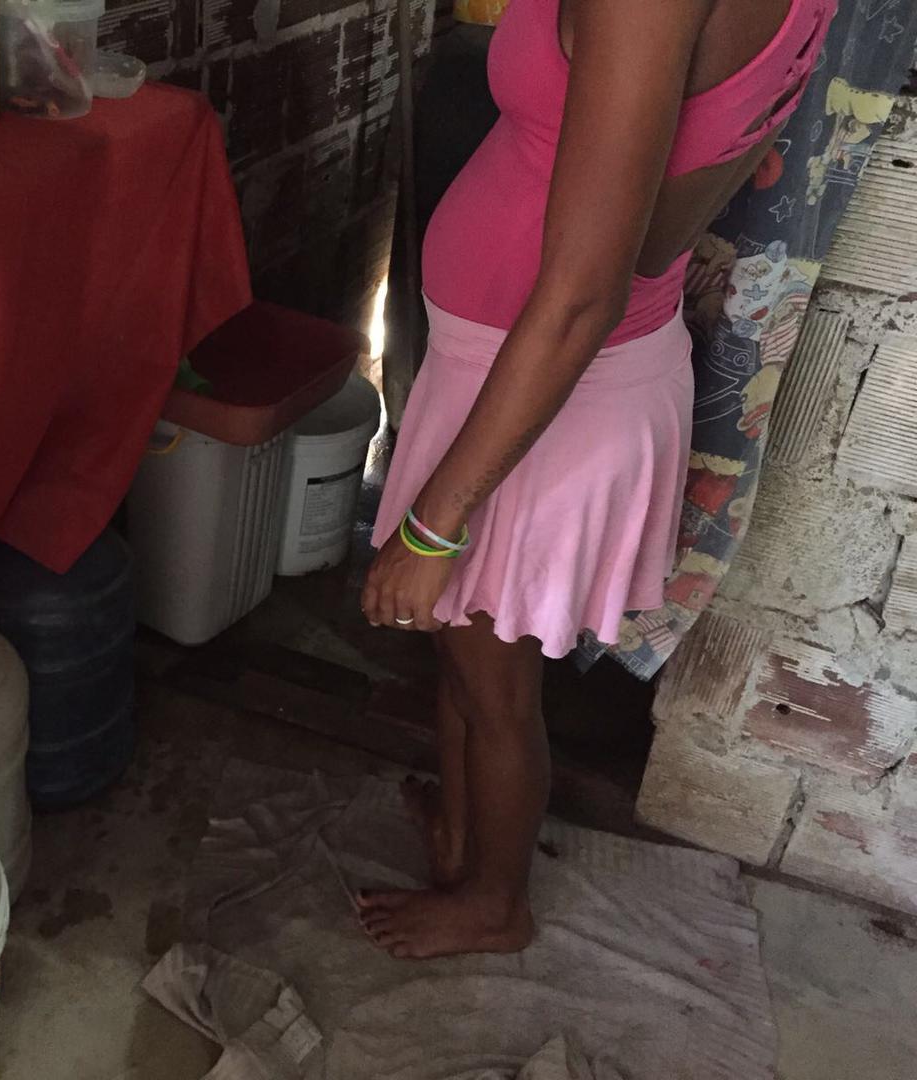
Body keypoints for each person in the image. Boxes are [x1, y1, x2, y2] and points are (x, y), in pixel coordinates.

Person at [357, 0, 836, 959]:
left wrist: (432, 527)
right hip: (523, 373)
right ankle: (461, 832)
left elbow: (582, 294)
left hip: (543, 390)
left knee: (495, 689)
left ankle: (496, 901)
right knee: (464, 646)